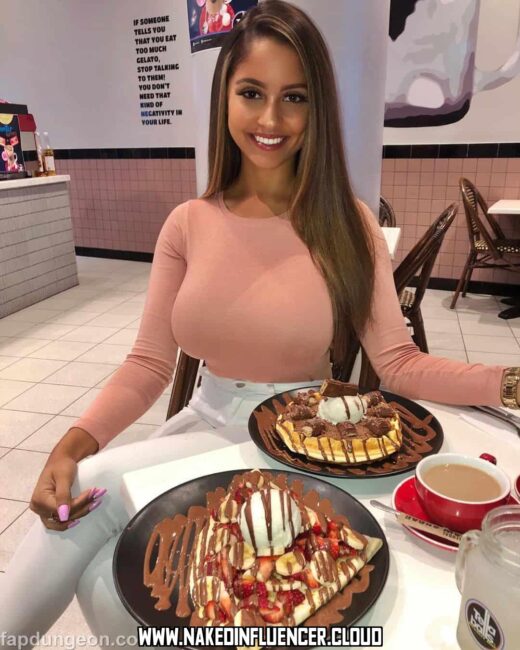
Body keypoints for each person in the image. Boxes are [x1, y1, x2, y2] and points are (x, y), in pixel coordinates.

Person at [1, 1, 518, 647]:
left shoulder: (347, 222)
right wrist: (72, 442)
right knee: (92, 534)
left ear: (316, 109)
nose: (270, 119)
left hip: (299, 442)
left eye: (294, 97)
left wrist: (509, 381)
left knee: (94, 516)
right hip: (203, 423)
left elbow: (399, 363)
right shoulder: (188, 223)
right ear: (225, 99)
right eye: (252, 93)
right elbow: (148, 364)